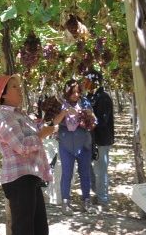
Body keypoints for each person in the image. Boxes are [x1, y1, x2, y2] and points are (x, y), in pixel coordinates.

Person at [0, 74, 56, 235]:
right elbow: (20, 145)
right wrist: (41, 135)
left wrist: (49, 122)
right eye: (14, 87)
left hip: (30, 175)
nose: (20, 90)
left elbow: (36, 131)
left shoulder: (20, 114)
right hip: (19, 179)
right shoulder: (4, 116)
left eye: (19, 86)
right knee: (24, 229)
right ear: (3, 94)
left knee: (40, 228)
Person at [55, 78, 97, 214]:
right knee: (67, 173)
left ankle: (86, 201)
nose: (76, 95)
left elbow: (94, 122)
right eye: (73, 92)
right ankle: (65, 202)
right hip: (66, 144)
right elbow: (54, 122)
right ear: (67, 92)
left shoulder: (85, 102)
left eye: (78, 92)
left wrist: (88, 116)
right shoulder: (61, 104)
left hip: (84, 144)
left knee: (85, 173)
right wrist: (64, 112)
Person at [83, 68, 114, 208]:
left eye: (87, 80)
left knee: (101, 169)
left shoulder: (104, 98)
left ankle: (103, 198)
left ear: (94, 81)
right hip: (91, 139)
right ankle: (98, 192)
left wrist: (91, 117)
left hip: (102, 139)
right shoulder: (90, 98)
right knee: (89, 167)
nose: (84, 83)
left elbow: (102, 121)